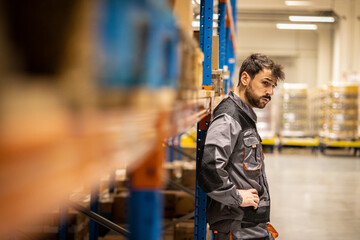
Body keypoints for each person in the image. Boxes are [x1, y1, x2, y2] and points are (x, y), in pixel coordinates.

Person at [198, 53, 285, 240]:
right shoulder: (229, 117)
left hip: (249, 225)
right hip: (236, 226)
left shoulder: (244, 115)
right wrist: (237, 197)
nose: (270, 92)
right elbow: (209, 169)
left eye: (273, 86)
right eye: (266, 83)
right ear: (245, 78)